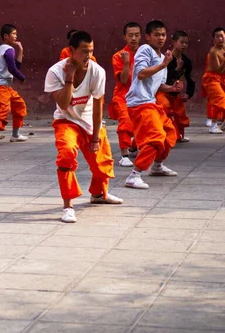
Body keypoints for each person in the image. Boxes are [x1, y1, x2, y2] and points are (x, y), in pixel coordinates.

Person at [45, 30, 122, 223]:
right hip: (66, 121)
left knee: (101, 163)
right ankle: (68, 206)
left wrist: (96, 137)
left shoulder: (97, 71)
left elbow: (98, 107)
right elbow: (63, 104)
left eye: (91, 51)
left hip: (90, 121)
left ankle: (99, 194)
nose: (88, 56)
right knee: (66, 155)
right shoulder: (56, 72)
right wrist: (69, 78)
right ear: (71, 50)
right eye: (84, 51)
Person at [125, 20, 181, 190]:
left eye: (163, 35)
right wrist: (163, 65)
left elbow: (158, 84)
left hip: (151, 102)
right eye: (156, 35)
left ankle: (156, 166)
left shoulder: (164, 57)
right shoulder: (145, 50)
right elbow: (141, 74)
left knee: (170, 133)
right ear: (148, 37)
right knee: (155, 137)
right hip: (140, 104)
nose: (160, 38)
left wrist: (171, 88)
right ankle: (134, 175)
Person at [0, 24, 28, 147]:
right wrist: (22, 78)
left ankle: (15, 134)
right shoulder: (7, 49)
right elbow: (13, 68)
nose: (15, 36)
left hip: (6, 87)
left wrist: (21, 50)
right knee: (2, 111)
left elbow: (16, 66)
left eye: (16, 34)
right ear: (6, 36)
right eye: (13, 34)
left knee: (19, 106)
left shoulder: (5, 49)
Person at [108, 22, 141, 167]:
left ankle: (134, 147)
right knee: (126, 121)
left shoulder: (145, 53)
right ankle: (124, 154)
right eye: (130, 35)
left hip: (141, 95)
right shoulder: (118, 56)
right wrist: (127, 63)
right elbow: (122, 80)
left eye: (137, 35)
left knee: (145, 122)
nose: (133, 38)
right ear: (124, 37)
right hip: (123, 95)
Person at [161, 31, 195, 142]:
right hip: (165, 92)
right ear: (174, 42)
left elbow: (190, 78)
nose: (184, 45)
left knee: (180, 116)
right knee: (167, 114)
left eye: (186, 43)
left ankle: (180, 136)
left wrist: (189, 93)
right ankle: (170, 136)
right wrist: (177, 69)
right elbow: (163, 77)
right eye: (182, 42)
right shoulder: (166, 58)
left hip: (177, 93)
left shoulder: (186, 61)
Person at [203, 27, 225, 134]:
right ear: (214, 40)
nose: (220, 38)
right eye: (217, 37)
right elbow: (218, 70)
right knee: (220, 100)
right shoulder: (213, 51)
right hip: (212, 78)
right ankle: (213, 125)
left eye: (222, 36)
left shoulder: (224, 48)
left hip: (222, 78)